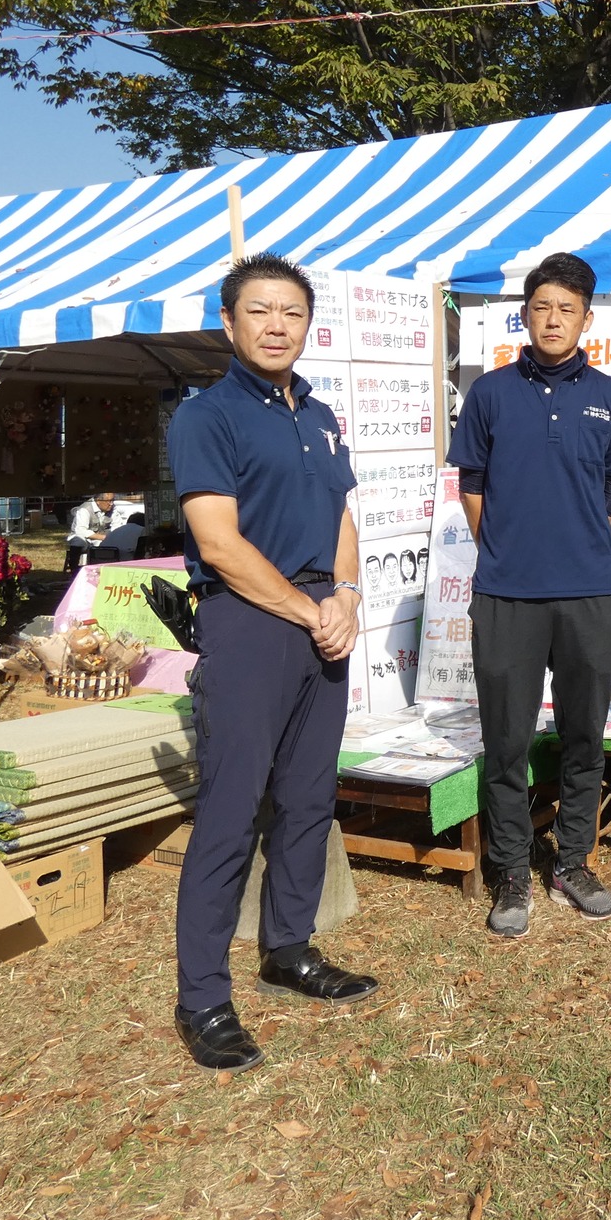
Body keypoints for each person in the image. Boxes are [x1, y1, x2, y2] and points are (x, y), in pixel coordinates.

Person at [166, 252, 377, 1075]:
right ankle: (203, 997)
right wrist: (306, 609)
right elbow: (218, 541)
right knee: (231, 805)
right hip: (251, 623)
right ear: (229, 322)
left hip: (324, 616)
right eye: (259, 311)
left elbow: (341, 516)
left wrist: (348, 597)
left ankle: (289, 949)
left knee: (307, 798)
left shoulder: (320, 415)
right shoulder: (207, 415)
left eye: (291, 312)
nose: (277, 325)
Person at [449, 252, 611, 940]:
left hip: (589, 591)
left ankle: (573, 861)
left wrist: (573, 543)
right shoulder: (491, 393)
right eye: (541, 307)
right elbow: (471, 486)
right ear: (523, 316)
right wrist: (505, 549)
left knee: (585, 735)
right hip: (505, 593)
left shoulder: (610, 397)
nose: (553, 319)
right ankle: (509, 869)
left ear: (587, 319)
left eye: (567, 309)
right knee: (506, 739)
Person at [67, 492, 121, 562]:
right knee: (78, 541)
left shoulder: (113, 508)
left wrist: (111, 537)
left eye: (113, 500)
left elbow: (117, 527)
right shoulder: (85, 509)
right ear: (98, 501)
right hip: (83, 539)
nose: (111, 504)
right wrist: (104, 537)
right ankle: (74, 568)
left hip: (102, 539)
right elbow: (81, 531)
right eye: (109, 501)